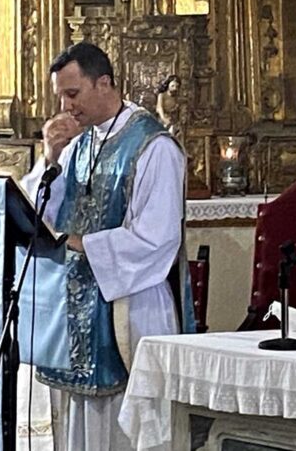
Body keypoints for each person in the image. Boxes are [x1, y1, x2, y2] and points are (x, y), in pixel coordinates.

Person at [21, 42, 193, 451]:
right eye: (60, 95)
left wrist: (83, 243)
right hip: (73, 306)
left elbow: (157, 237)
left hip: (130, 307)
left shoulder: (153, 147)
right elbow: (38, 208)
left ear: (105, 83)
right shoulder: (78, 142)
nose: (66, 106)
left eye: (73, 94)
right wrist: (49, 157)